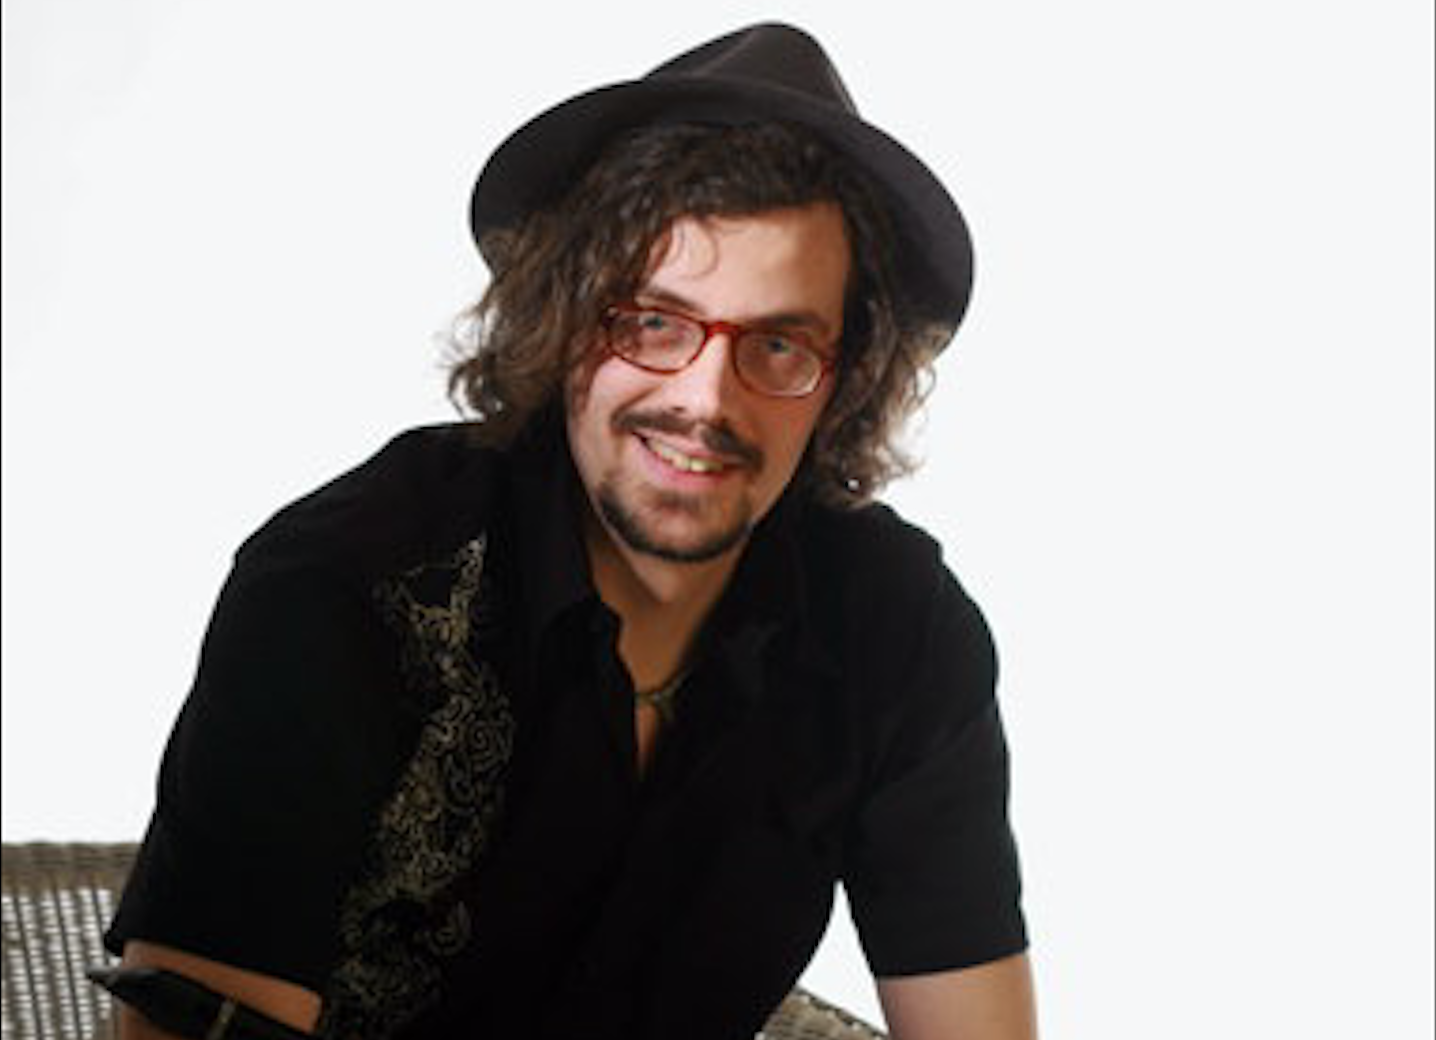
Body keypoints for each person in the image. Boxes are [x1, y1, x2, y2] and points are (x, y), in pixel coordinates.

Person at [103, 22, 1037, 1040]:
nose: (705, 398)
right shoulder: (344, 582)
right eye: (653, 321)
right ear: (561, 312)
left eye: (778, 343)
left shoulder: (897, 627)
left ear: (845, 376)